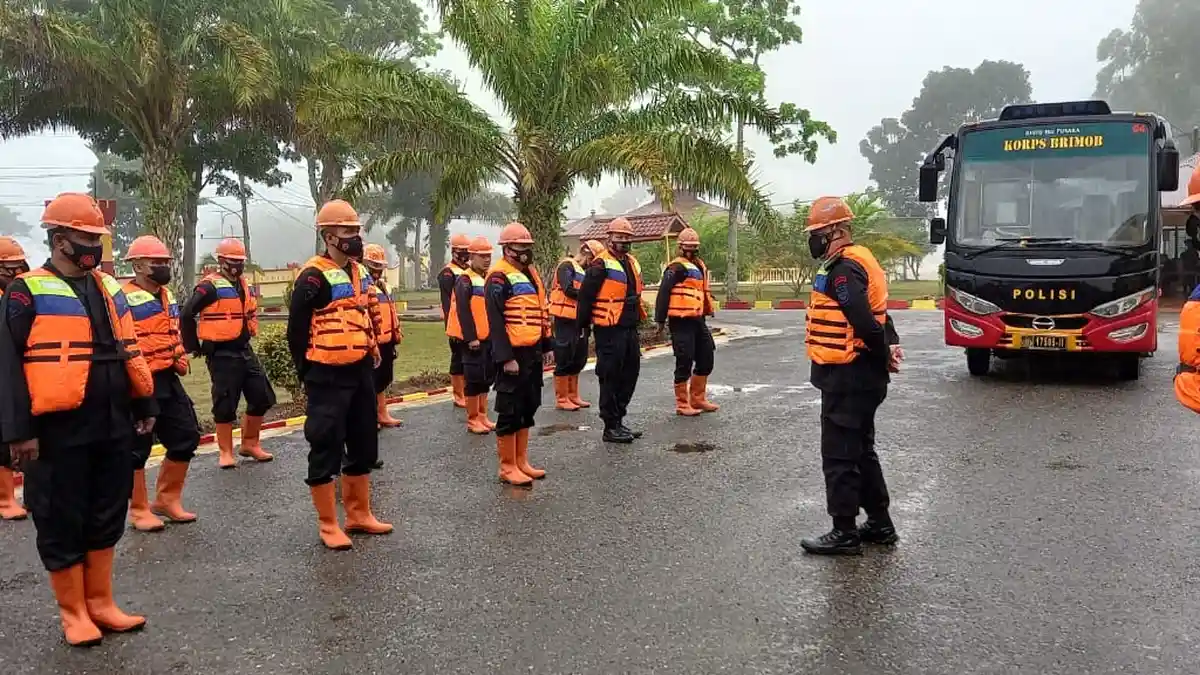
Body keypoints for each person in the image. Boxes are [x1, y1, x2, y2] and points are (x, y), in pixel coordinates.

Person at [0, 192, 158, 646]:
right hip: (55, 429)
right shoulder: (24, 291)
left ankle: (102, 603)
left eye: (97, 237)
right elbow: (7, 366)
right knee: (60, 516)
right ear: (58, 238)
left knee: (107, 511)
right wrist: (18, 433)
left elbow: (130, 350)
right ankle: (74, 613)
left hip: (111, 420)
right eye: (84, 237)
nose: (93, 245)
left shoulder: (108, 287)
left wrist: (144, 404)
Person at [798, 196, 903, 556]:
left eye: (816, 233)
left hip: (849, 375)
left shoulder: (844, 269)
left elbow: (862, 319)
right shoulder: (859, 260)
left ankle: (844, 531)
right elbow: (880, 317)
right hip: (860, 375)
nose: (812, 239)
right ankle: (880, 523)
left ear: (834, 231)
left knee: (840, 455)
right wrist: (888, 347)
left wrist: (883, 351)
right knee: (861, 451)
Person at [287, 199, 392, 551]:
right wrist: (308, 371)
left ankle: (359, 514)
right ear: (328, 235)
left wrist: (372, 345)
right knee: (325, 443)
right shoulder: (312, 277)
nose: (355, 237)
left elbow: (363, 314)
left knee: (364, 443)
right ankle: (328, 523)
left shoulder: (360, 271)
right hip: (326, 374)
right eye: (348, 231)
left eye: (357, 231)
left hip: (360, 369)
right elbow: (296, 331)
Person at [122, 236, 201, 532]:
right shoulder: (123, 297)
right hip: (138, 380)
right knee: (137, 447)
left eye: (166, 262)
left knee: (186, 436)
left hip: (167, 376)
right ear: (138, 265)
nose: (163, 267)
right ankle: (139, 509)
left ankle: (166, 500)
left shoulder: (166, 295)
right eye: (157, 263)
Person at [180, 237, 275, 469]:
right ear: (221, 261)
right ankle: (225, 452)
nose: (237, 265)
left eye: (240, 261)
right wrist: (194, 346)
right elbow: (186, 314)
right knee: (224, 402)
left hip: (244, 349)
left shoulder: (243, 285)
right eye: (232, 261)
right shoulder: (208, 287)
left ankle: (250, 443)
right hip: (221, 353)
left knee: (262, 396)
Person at [486, 223, 552, 485]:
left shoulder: (530, 274)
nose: (525, 252)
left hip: (532, 351)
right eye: (520, 247)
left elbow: (540, 310)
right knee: (510, 409)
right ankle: (507, 465)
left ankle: (521, 460)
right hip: (512, 354)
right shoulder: (498, 277)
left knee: (529, 405)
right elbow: (495, 321)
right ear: (507, 249)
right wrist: (506, 358)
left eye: (528, 247)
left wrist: (547, 345)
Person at [575, 217, 646, 443]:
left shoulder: (631, 262)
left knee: (630, 373)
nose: (623, 241)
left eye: (627, 238)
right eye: (619, 237)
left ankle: (619, 419)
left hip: (629, 327)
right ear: (609, 238)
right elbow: (586, 297)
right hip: (609, 329)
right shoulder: (600, 264)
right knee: (610, 375)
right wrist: (583, 327)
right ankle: (610, 425)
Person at [653, 227, 720, 416]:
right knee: (684, 359)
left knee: (706, 357)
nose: (691, 251)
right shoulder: (676, 267)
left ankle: (698, 399)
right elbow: (663, 293)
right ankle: (683, 404)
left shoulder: (698, 266)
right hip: (680, 321)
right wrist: (660, 320)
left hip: (698, 320)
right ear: (680, 248)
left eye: (694, 247)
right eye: (687, 247)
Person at [445, 236, 497, 434]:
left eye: (488, 256)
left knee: (485, 378)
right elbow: (463, 312)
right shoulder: (464, 280)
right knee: (474, 379)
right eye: (482, 256)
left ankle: (483, 416)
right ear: (472, 256)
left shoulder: (487, 278)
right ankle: (473, 418)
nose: (486, 259)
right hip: (472, 340)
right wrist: (471, 338)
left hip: (488, 339)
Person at [548, 239, 602, 410]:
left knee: (579, 357)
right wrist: (588, 296)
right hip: (565, 319)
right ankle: (562, 398)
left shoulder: (585, 272)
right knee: (564, 355)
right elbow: (568, 289)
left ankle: (573, 395)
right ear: (586, 253)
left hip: (580, 319)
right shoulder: (567, 265)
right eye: (592, 259)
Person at [0, 235, 30, 521]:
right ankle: (5, 498)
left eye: (17, 267)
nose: (14, 273)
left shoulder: (22, 294)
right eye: (7, 268)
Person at [364, 243, 404, 430]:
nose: (377, 271)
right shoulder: (362, 287)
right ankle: (371, 416)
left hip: (387, 340)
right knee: (372, 380)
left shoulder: (383, 287)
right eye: (374, 267)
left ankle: (382, 413)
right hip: (372, 342)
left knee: (383, 378)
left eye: (380, 267)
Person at [438, 233, 472, 408]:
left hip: (470, 323)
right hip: (455, 323)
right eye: (462, 251)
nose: (466, 255)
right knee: (457, 358)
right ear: (454, 252)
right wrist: (451, 326)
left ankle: (467, 391)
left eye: (468, 251)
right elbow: (447, 303)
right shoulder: (447, 273)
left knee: (468, 358)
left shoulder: (469, 271)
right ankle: (458, 394)